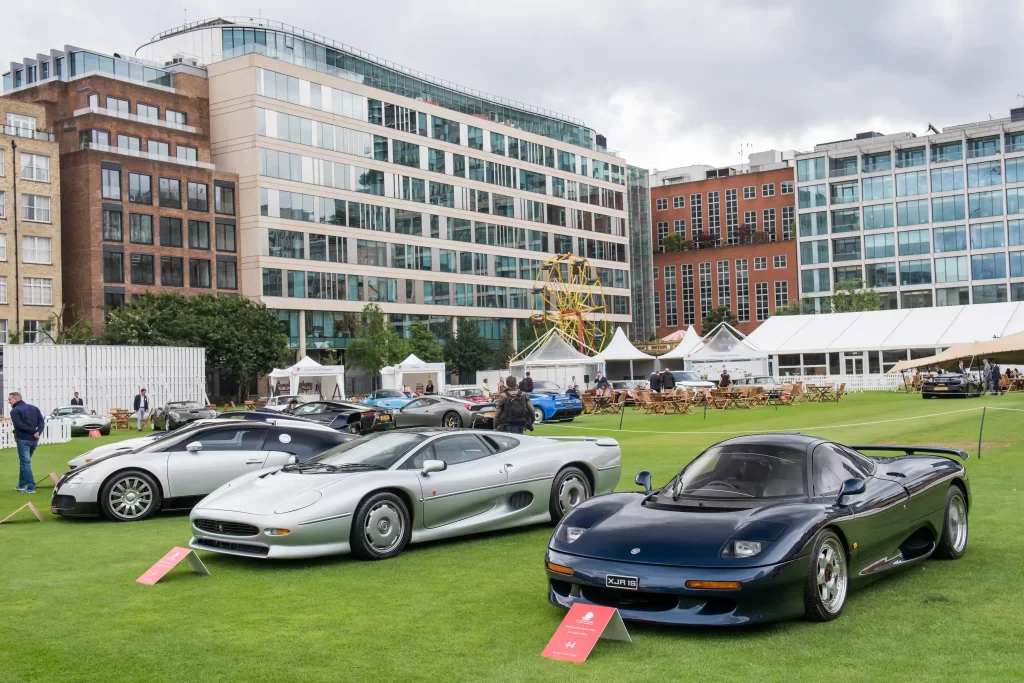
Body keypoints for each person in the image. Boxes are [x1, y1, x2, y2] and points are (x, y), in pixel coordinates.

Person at [10, 392, 45, 494]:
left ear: (16, 399)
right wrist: (38, 432)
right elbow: (41, 422)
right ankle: (21, 484)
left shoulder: (15, 410)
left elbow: (19, 425)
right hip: (34, 439)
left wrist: (33, 431)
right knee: (24, 462)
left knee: (25, 463)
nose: (9, 402)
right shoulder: (34, 408)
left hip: (23, 438)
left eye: (10, 399)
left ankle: (30, 487)